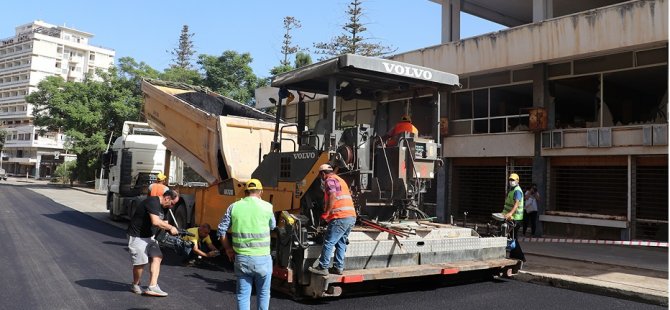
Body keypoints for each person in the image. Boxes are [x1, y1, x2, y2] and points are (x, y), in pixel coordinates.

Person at [218, 179, 275, 310]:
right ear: (261, 191)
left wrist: (228, 249)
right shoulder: (268, 207)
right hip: (263, 259)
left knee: (243, 295)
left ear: (245, 192)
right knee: (264, 293)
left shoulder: (234, 206)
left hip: (242, 258)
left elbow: (221, 230)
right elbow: (272, 226)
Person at [127, 189, 180, 297]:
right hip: (137, 236)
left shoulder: (165, 207)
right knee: (141, 263)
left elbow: (164, 222)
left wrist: (172, 233)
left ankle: (153, 286)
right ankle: (135, 284)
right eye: (172, 204)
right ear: (167, 198)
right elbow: (156, 222)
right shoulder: (152, 202)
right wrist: (171, 227)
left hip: (150, 236)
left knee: (158, 256)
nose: (172, 207)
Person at [308, 164, 357, 276]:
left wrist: (327, 213)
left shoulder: (329, 180)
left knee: (329, 242)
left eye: (321, 176)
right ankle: (338, 267)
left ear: (323, 173)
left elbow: (333, 195)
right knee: (341, 242)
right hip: (351, 216)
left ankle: (323, 267)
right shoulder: (340, 180)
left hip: (340, 216)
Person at [502, 173, 526, 262]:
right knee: (511, 237)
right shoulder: (512, 190)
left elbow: (516, 204)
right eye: (510, 180)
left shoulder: (517, 191)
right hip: (510, 218)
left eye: (513, 180)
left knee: (513, 238)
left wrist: (510, 213)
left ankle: (520, 257)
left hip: (515, 219)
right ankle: (514, 255)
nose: (511, 181)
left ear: (517, 181)